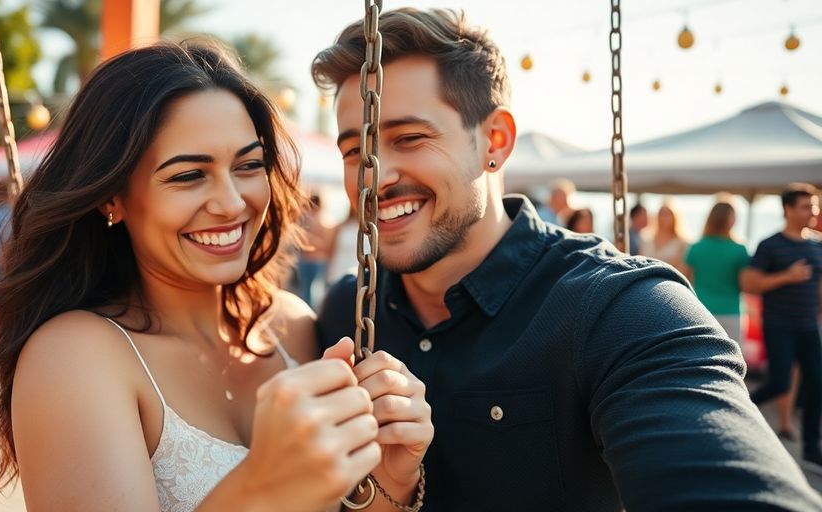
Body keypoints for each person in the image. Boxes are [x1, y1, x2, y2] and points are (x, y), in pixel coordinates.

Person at [312, 8, 821, 510]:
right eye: (355, 151)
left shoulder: (618, 308)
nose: (374, 177)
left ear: (495, 141)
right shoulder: (345, 314)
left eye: (410, 138)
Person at [0, 42, 431, 512]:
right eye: (187, 176)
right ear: (112, 196)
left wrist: (392, 479)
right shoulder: (75, 357)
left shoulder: (294, 328)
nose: (231, 203)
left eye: (248, 165)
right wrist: (264, 483)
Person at [742, 183, 822, 467]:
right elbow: (749, 282)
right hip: (779, 325)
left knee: (817, 382)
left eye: (814, 205)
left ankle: (812, 448)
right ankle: (738, 409)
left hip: (808, 327)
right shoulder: (770, 245)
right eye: (806, 206)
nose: (812, 211)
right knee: (780, 382)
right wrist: (786, 277)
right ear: (788, 210)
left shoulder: (817, 244)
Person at [685, 199, 749, 345]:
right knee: (734, 363)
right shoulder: (740, 250)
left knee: (703, 360)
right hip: (731, 312)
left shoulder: (696, 248)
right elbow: (746, 285)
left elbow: (684, 280)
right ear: (730, 220)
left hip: (702, 311)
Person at [295, 193, 336, 308]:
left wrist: (311, 242)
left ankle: (309, 313)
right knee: (315, 291)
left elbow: (301, 240)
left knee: (307, 290)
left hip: (309, 260)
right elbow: (328, 245)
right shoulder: (326, 220)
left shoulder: (307, 220)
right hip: (316, 260)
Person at [644, 198, 690, 277]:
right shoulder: (647, 239)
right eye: (661, 213)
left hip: (671, 284)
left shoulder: (682, 243)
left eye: (667, 214)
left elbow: (683, 271)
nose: (664, 217)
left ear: (675, 216)